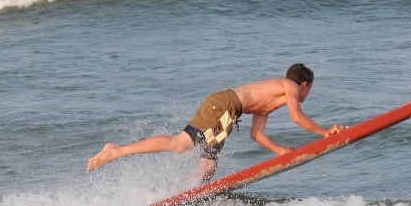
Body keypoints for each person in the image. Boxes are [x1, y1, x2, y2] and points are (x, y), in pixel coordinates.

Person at [87, 63, 347, 181]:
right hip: (226, 105)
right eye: (309, 90)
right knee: (180, 145)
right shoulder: (290, 85)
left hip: (227, 109)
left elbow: (256, 133)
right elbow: (297, 116)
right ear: (304, 85)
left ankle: (182, 197)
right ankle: (117, 151)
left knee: (208, 167)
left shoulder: (268, 101)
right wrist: (325, 132)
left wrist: (281, 152)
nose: (305, 95)